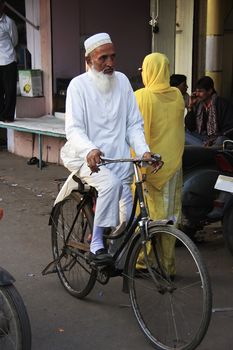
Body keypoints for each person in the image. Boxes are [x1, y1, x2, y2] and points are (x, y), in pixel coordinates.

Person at [60, 33, 154, 264]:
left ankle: (116, 260)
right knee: (109, 184)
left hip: (119, 159)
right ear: (89, 59)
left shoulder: (122, 81)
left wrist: (143, 151)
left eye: (113, 57)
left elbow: (133, 124)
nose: (110, 63)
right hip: (85, 157)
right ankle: (96, 243)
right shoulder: (78, 86)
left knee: (127, 218)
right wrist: (90, 149)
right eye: (103, 58)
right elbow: (73, 129)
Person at [134, 53, 185, 277]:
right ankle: (168, 267)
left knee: (145, 218)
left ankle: (142, 262)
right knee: (170, 220)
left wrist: (141, 169)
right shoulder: (177, 95)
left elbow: (138, 134)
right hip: (173, 167)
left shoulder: (142, 96)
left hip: (151, 168)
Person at [185, 76, 233, 147]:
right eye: (196, 91)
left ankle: (203, 148)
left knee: (221, 140)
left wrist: (213, 139)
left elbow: (229, 128)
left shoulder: (222, 104)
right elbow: (191, 127)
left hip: (217, 138)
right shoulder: (199, 105)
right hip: (203, 138)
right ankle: (204, 148)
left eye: (200, 91)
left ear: (210, 91)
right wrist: (190, 107)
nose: (197, 94)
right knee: (183, 133)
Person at [0, 0, 18, 122]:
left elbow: (14, 41)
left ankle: (8, 116)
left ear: (2, 6)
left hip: (9, 60)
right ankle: (1, 114)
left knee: (10, 90)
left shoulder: (9, 22)